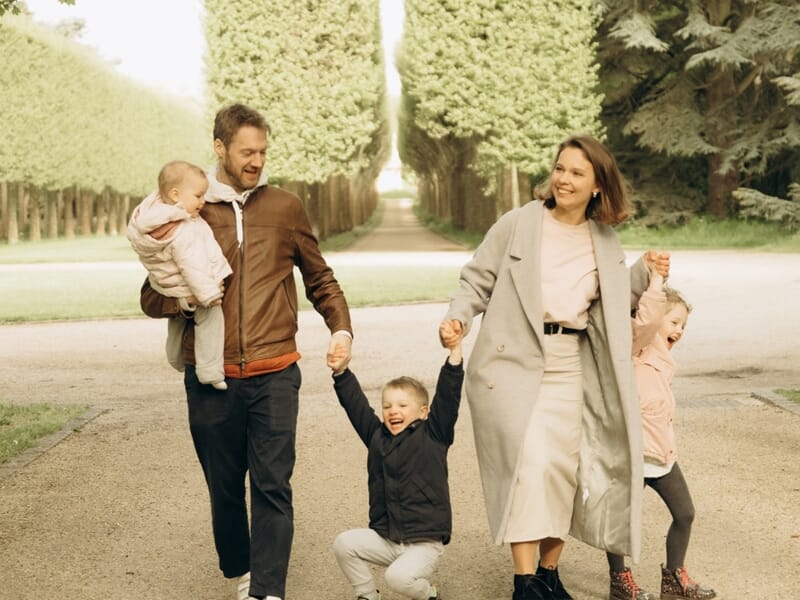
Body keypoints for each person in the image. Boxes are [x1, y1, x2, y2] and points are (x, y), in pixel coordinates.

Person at [440, 134, 670, 600]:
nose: (564, 179)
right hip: (512, 359)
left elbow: (611, 303)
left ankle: (548, 574)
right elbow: (476, 279)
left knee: (564, 470)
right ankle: (524, 583)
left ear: (598, 186)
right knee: (528, 466)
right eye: (560, 168)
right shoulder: (519, 223)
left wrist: (644, 272)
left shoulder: (604, 241)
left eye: (577, 173)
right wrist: (458, 316)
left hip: (570, 363)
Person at [140, 103, 353, 600]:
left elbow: (319, 277)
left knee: (273, 484)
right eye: (246, 152)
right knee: (224, 487)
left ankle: (267, 588)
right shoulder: (189, 211)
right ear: (220, 148)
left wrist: (341, 329)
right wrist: (185, 300)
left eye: (262, 152)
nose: (256, 161)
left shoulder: (285, 207)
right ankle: (243, 568)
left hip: (275, 369)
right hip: (209, 376)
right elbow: (150, 296)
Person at [328, 320, 464, 600]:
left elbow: (448, 398)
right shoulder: (377, 437)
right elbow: (356, 406)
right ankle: (367, 595)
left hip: (424, 542)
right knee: (344, 544)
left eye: (402, 405)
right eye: (387, 406)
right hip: (388, 537)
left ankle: (428, 594)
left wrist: (455, 354)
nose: (393, 411)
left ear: (423, 412)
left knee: (397, 578)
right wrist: (341, 372)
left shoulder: (434, 434)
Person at [605, 263, 716, 600]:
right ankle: (619, 581)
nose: (679, 331)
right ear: (654, 321)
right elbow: (646, 321)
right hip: (633, 456)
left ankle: (674, 579)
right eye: (674, 322)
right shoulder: (635, 349)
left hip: (662, 456)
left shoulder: (664, 360)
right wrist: (655, 283)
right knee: (621, 522)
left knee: (685, 513)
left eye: (683, 325)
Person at [127, 160, 231, 390]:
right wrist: (208, 294)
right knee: (211, 318)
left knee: (177, 321)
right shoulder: (183, 230)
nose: (203, 201)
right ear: (175, 195)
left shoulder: (149, 216)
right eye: (198, 196)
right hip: (186, 285)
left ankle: (175, 357)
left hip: (163, 284)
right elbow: (192, 266)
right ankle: (210, 371)